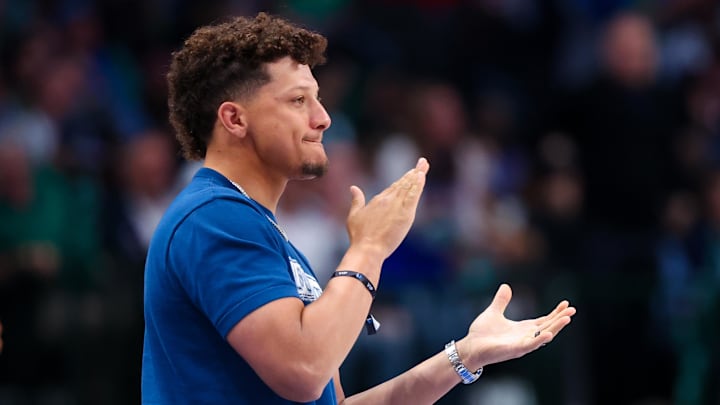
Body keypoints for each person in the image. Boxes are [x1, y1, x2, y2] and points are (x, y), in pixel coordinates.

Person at [141, 12, 576, 404]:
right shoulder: (214, 219)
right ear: (235, 120)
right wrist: (368, 248)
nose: (323, 117)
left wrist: (462, 356)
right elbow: (304, 372)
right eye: (298, 101)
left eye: (318, 98)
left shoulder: (258, 230)